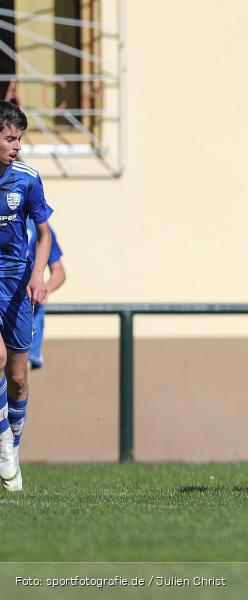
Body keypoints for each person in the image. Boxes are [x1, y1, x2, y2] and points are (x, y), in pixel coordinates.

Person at [0, 101, 54, 492]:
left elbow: (45, 234)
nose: (17, 146)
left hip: (18, 282)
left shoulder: (28, 179)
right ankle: (3, 442)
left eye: (19, 139)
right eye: (9, 138)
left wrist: (38, 275)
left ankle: (13, 449)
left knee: (18, 378)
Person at [25, 217, 65, 370]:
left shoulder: (39, 225)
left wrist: (44, 289)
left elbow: (59, 271)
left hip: (29, 311)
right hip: (5, 302)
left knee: (19, 375)